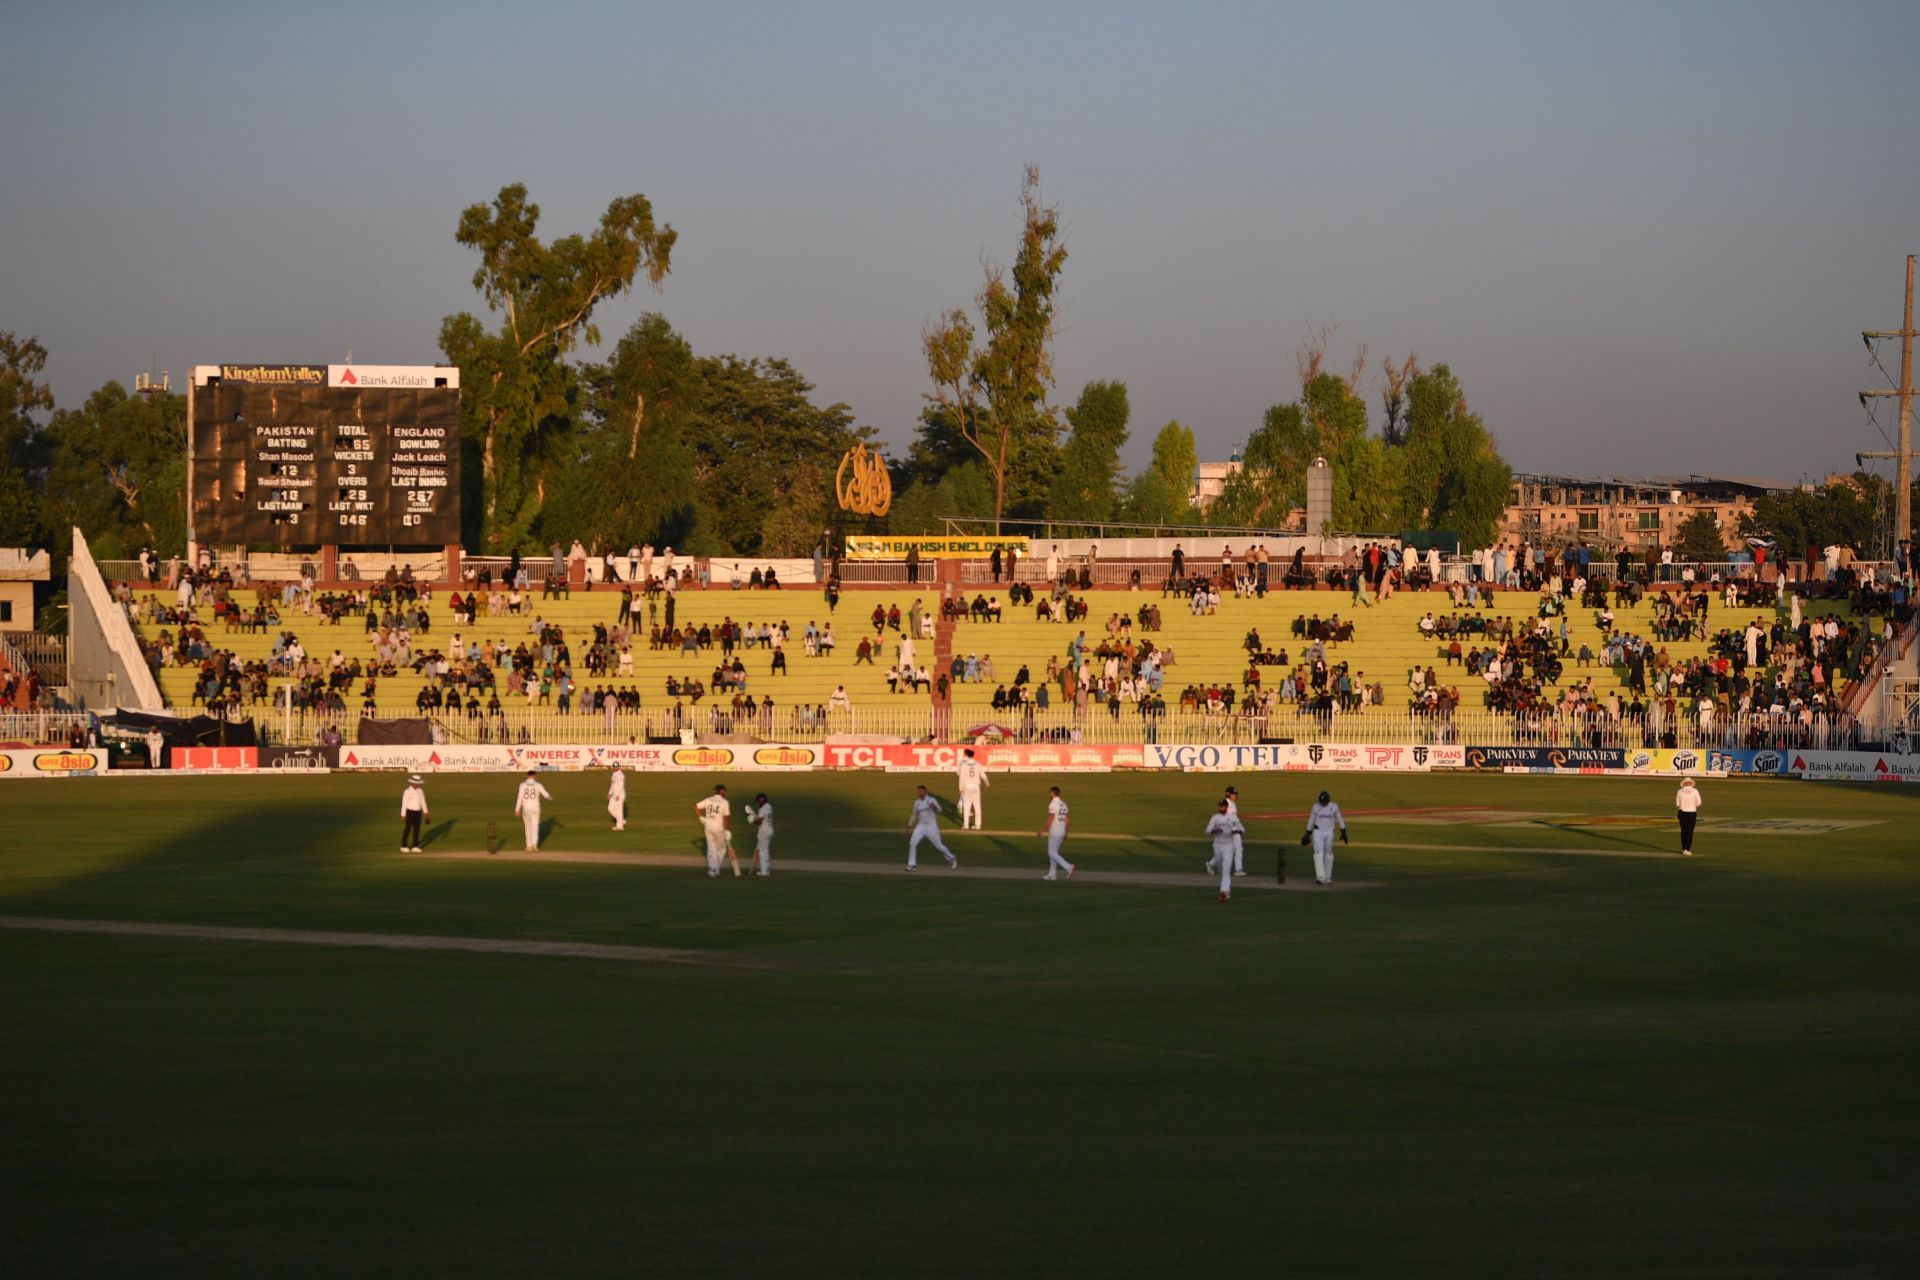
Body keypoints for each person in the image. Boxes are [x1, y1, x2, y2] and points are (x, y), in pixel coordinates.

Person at [905, 784, 958, 870]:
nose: (920, 793)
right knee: (912, 843)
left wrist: (934, 807)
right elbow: (914, 814)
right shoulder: (917, 802)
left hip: (931, 827)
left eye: (921, 791)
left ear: (925, 792)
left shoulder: (931, 800)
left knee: (938, 846)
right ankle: (912, 865)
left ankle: (951, 858)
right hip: (921, 826)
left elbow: (940, 810)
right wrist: (909, 826)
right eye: (918, 792)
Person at [1301, 788, 1348, 885]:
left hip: (1329, 832)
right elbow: (1311, 819)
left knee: (1329, 854)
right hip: (1318, 832)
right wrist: (1307, 833)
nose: (1323, 804)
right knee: (1318, 854)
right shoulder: (1315, 807)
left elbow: (1339, 818)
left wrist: (1343, 832)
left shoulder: (1334, 807)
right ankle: (1320, 877)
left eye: (1325, 802)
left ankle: (1327, 878)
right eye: (1322, 802)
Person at [696, 783, 739, 877]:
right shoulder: (724, 802)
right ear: (721, 791)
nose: (725, 793)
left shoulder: (708, 799)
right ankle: (716, 869)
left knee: (711, 850)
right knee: (721, 849)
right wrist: (726, 830)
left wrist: (700, 818)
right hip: (719, 828)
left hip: (708, 827)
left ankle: (712, 870)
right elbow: (726, 818)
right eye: (724, 791)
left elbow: (696, 807)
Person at [1206, 798, 1245, 901]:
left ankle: (1224, 891)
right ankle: (1224, 890)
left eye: (1223, 806)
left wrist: (1235, 832)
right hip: (1217, 845)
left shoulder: (1232, 818)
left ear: (1226, 807)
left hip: (1228, 845)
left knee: (1226, 869)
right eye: (1220, 806)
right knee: (1221, 870)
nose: (1221, 808)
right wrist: (1215, 830)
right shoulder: (1215, 817)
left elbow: (1242, 829)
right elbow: (1207, 831)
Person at [1205, 785, 1245, 878]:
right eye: (1233, 794)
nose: (1235, 796)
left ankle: (1238, 869)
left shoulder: (1233, 803)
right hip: (1228, 830)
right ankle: (1211, 864)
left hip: (1234, 829)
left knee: (1238, 848)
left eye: (1235, 794)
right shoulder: (1226, 803)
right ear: (1228, 795)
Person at [1038, 785, 1074, 880]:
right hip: (1061, 831)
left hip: (1055, 831)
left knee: (1052, 853)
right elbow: (1067, 821)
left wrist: (1042, 830)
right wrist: (1066, 832)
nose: (1049, 794)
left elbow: (1051, 818)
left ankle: (1068, 867)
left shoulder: (1053, 804)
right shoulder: (1063, 804)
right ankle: (1052, 874)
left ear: (1053, 793)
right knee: (1054, 852)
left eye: (1050, 792)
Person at [514, 770, 553, 852]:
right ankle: (534, 844)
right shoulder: (538, 785)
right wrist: (551, 798)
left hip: (526, 808)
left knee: (527, 827)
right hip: (535, 807)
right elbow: (546, 795)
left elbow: (520, 797)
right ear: (535, 776)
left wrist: (517, 809)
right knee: (535, 826)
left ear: (527, 775)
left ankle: (528, 846)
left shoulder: (522, 785)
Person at [956, 747, 990, 830]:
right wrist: (987, 783)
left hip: (967, 786)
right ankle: (978, 825)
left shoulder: (964, 765)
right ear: (973, 756)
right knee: (977, 806)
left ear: (967, 755)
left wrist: (960, 788)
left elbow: (961, 777)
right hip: (976, 787)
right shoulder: (978, 764)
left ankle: (966, 825)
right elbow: (983, 775)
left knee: (967, 806)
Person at [747, 791, 775, 876]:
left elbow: (759, 822)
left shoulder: (763, 809)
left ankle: (764, 872)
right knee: (763, 850)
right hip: (769, 830)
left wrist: (752, 821)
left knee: (763, 852)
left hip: (764, 832)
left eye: (759, 801)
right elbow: (760, 819)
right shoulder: (769, 807)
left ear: (762, 799)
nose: (758, 803)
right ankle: (765, 870)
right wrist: (754, 817)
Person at [400, 774, 429, 852]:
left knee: (416, 829)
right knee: (408, 829)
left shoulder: (420, 791)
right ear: (413, 783)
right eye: (418, 783)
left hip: (418, 813)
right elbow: (404, 803)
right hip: (409, 812)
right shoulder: (407, 791)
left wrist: (426, 812)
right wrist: (403, 815)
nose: (419, 784)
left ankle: (415, 846)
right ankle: (404, 846)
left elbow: (423, 801)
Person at [1676, 776, 1702, 856]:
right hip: (1691, 812)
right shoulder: (1695, 791)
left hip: (1682, 812)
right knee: (1689, 831)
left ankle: (1684, 848)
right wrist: (1692, 806)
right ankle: (1687, 849)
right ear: (1691, 783)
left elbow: (1677, 804)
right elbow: (1699, 802)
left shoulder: (1679, 791)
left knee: (1683, 831)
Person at [606, 764, 627, 831]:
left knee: (618, 810)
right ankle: (621, 820)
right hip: (614, 794)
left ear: (618, 767)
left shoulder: (620, 775)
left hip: (619, 795)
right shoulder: (614, 774)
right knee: (610, 808)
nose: (615, 767)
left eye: (616, 766)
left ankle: (619, 826)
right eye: (614, 766)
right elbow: (612, 785)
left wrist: (618, 795)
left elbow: (621, 786)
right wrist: (609, 793)